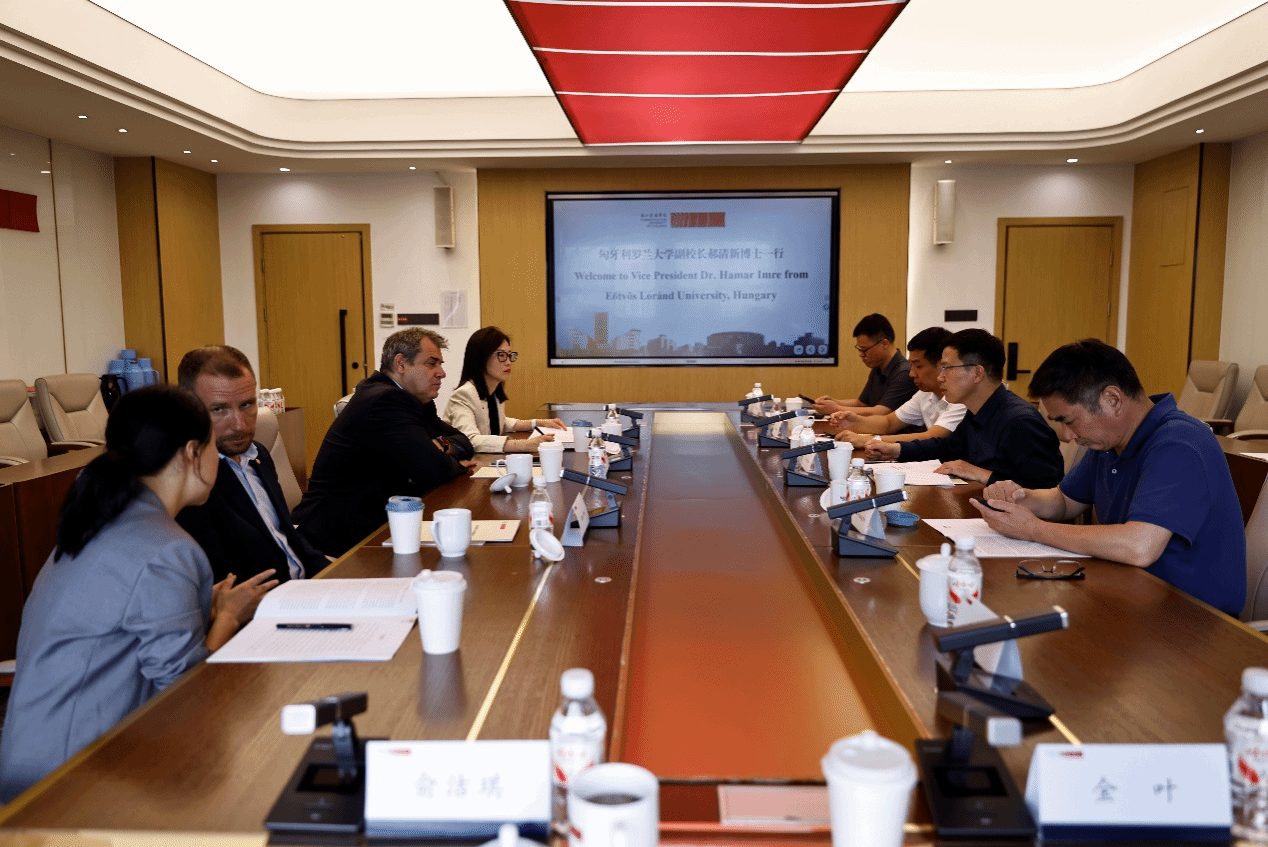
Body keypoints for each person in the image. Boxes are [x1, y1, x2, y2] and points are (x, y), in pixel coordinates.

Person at [0, 386, 276, 801]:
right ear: (192, 453)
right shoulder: (168, 549)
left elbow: (125, 629)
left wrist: (205, 608)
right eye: (213, 447)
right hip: (70, 779)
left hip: (39, 755)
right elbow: (184, 695)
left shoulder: (104, 520)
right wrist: (227, 618)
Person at [972, 339, 1246, 615]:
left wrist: (1033, 529)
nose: (1068, 436)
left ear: (1112, 400)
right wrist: (1019, 498)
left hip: (1192, 617)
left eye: (1069, 421)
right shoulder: (1110, 442)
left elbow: (1139, 546)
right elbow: (1065, 501)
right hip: (1131, 593)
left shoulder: (1178, 444)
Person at [293, 328, 477, 557]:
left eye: (440, 364)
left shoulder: (415, 400)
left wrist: (442, 447)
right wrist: (446, 458)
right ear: (401, 363)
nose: (442, 373)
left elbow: (465, 443)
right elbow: (434, 469)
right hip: (337, 535)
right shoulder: (385, 399)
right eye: (432, 363)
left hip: (377, 519)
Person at [175, 345, 329, 583]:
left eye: (247, 405)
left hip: (303, 587)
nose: (240, 425)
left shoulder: (258, 455)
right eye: (219, 409)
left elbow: (289, 536)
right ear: (189, 409)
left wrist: (336, 576)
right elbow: (223, 578)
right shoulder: (191, 480)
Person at [865, 329, 1063, 488]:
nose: (941, 377)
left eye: (947, 368)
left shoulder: (1020, 422)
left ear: (977, 373)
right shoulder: (977, 410)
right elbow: (947, 447)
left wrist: (980, 473)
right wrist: (897, 449)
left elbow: (1045, 489)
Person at [831, 326, 965, 448]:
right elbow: (889, 423)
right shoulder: (925, 393)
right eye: (911, 366)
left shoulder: (962, 398)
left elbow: (931, 437)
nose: (911, 374)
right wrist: (856, 421)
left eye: (918, 366)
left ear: (943, 365)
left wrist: (869, 440)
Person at [443, 326, 567, 453]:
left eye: (510, 355)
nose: (508, 362)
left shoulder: (493, 393)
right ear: (481, 358)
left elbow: (499, 422)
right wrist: (524, 445)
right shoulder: (463, 395)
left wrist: (538, 423)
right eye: (501, 355)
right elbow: (469, 440)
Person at [812, 313, 917, 417]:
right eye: (859, 350)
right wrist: (833, 402)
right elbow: (861, 403)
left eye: (864, 349)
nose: (861, 354)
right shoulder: (878, 367)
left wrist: (835, 409)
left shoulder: (904, 373)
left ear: (884, 344)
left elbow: (880, 412)